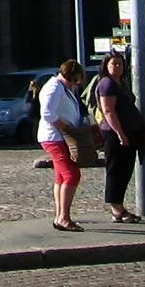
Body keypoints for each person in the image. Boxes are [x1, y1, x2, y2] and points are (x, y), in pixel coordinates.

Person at [37, 59, 89, 231]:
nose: (75, 84)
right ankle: (64, 218)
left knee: (61, 176)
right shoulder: (55, 87)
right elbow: (47, 113)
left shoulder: (61, 87)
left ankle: (60, 216)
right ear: (70, 75)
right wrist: (67, 128)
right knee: (71, 174)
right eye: (75, 80)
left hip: (59, 137)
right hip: (55, 137)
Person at [95, 50, 145, 224]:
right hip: (115, 134)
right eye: (113, 64)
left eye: (120, 64)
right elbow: (108, 111)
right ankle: (116, 209)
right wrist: (120, 134)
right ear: (106, 66)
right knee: (116, 171)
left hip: (129, 132)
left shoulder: (121, 83)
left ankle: (119, 205)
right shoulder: (107, 84)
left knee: (125, 170)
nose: (117, 67)